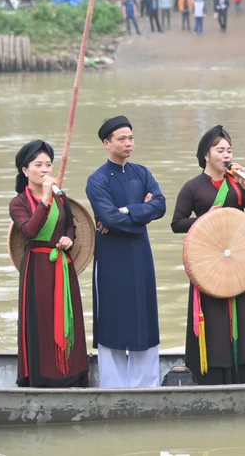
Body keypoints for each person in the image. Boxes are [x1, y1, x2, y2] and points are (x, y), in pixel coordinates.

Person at [171, 126, 245, 384]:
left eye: (229, 150)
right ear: (206, 154)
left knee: (242, 318)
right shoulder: (193, 187)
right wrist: (206, 221)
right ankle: (211, 375)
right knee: (213, 320)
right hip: (208, 264)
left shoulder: (236, 182)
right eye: (220, 150)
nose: (226, 155)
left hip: (237, 262)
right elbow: (177, 223)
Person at [85, 116, 166, 387]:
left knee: (144, 315)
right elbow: (108, 219)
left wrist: (129, 210)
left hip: (140, 254)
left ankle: (147, 385)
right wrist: (141, 215)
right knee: (113, 316)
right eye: (122, 138)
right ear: (107, 143)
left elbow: (161, 205)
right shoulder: (96, 180)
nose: (129, 143)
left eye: (131, 137)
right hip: (110, 257)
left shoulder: (142, 173)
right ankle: (113, 385)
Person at [10, 140, 89, 388]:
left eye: (48, 165)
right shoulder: (19, 203)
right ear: (25, 170)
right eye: (38, 165)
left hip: (62, 267)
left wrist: (69, 238)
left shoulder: (60, 198)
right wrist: (45, 198)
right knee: (42, 320)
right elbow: (30, 231)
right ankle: (42, 377)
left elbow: (69, 225)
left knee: (68, 319)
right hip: (37, 268)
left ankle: (71, 374)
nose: (45, 170)